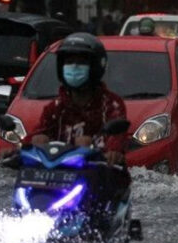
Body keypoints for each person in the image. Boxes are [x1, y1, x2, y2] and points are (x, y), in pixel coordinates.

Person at [22, 32, 128, 165]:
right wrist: (18, 150)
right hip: (58, 175)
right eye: (69, 62)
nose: (74, 67)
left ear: (95, 67)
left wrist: (111, 153)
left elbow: (116, 142)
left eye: (81, 62)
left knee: (84, 142)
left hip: (97, 175)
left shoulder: (111, 105)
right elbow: (36, 135)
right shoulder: (56, 107)